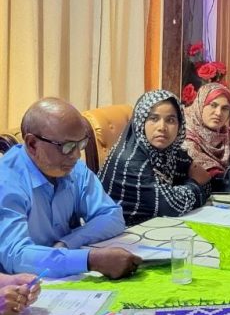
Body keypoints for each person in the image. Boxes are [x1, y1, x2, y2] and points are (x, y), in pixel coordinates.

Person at [0, 98, 139, 279]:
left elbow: (112, 216)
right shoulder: (7, 181)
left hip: (62, 278)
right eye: (67, 146)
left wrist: (67, 242)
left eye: (81, 144)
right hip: (20, 286)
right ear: (33, 144)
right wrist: (90, 260)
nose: (76, 155)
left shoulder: (72, 168)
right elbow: (16, 256)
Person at [99, 90, 211, 226]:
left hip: (153, 225)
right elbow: (170, 206)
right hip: (121, 231)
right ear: (141, 122)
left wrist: (193, 185)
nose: (162, 127)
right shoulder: (130, 161)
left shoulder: (170, 152)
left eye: (170, 120)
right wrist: (195, 183)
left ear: (179, 125)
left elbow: (205, 181)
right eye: (154, 119)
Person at [183, 83, 230, 177]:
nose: (218, 113)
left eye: (225, 108)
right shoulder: (184, 131)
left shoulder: (228, 134)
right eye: (213, 105)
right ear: (200, 104)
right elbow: (201, 165)